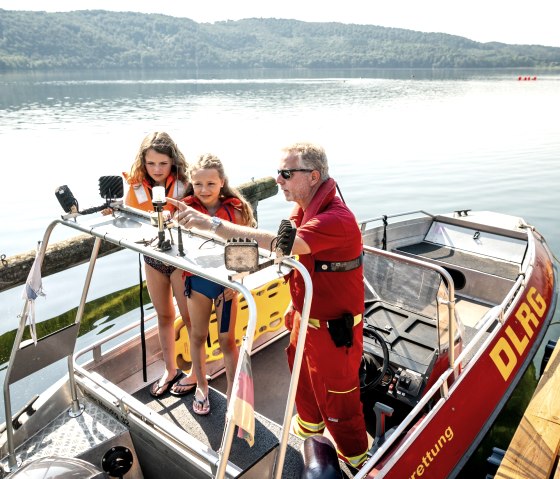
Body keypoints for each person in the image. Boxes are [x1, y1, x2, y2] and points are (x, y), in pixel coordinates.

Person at [169, 142, 369, 467]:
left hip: (335, 336)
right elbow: (284, 254)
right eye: (279, 172)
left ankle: (357, 463)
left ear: (313, 176)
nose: (278, 179)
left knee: (341, 406)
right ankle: (307, 436)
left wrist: (212, 224)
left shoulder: (336, 219)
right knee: (303, 388)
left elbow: (282, 245)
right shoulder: (302, 210)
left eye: (286, 173)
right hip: (303, 324)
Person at [169, 153, 256, 415]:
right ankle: (202, 386)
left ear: (222, 183)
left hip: (227, 286)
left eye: (210, 183)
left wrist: (237, 283)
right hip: (197, 283)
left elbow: (247, 251)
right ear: (191, 185)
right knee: (197, 334)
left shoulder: (236, 210)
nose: (204, 190)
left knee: (227, 340)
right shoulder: (184, 209)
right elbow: (176, 246)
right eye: (198, 184)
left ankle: (232, 391)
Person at [123, 131, 192, 398]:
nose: (157, 170)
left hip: (180, 260)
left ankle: (199, 372)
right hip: (152, 257)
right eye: (151, 164)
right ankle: (171, 369)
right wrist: (113, 211)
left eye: (163, 164)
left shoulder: (185, 184)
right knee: (163, 316)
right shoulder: (136, 186)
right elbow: (128, 219)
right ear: (143, 162)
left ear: (173, 162)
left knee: (189, 318)